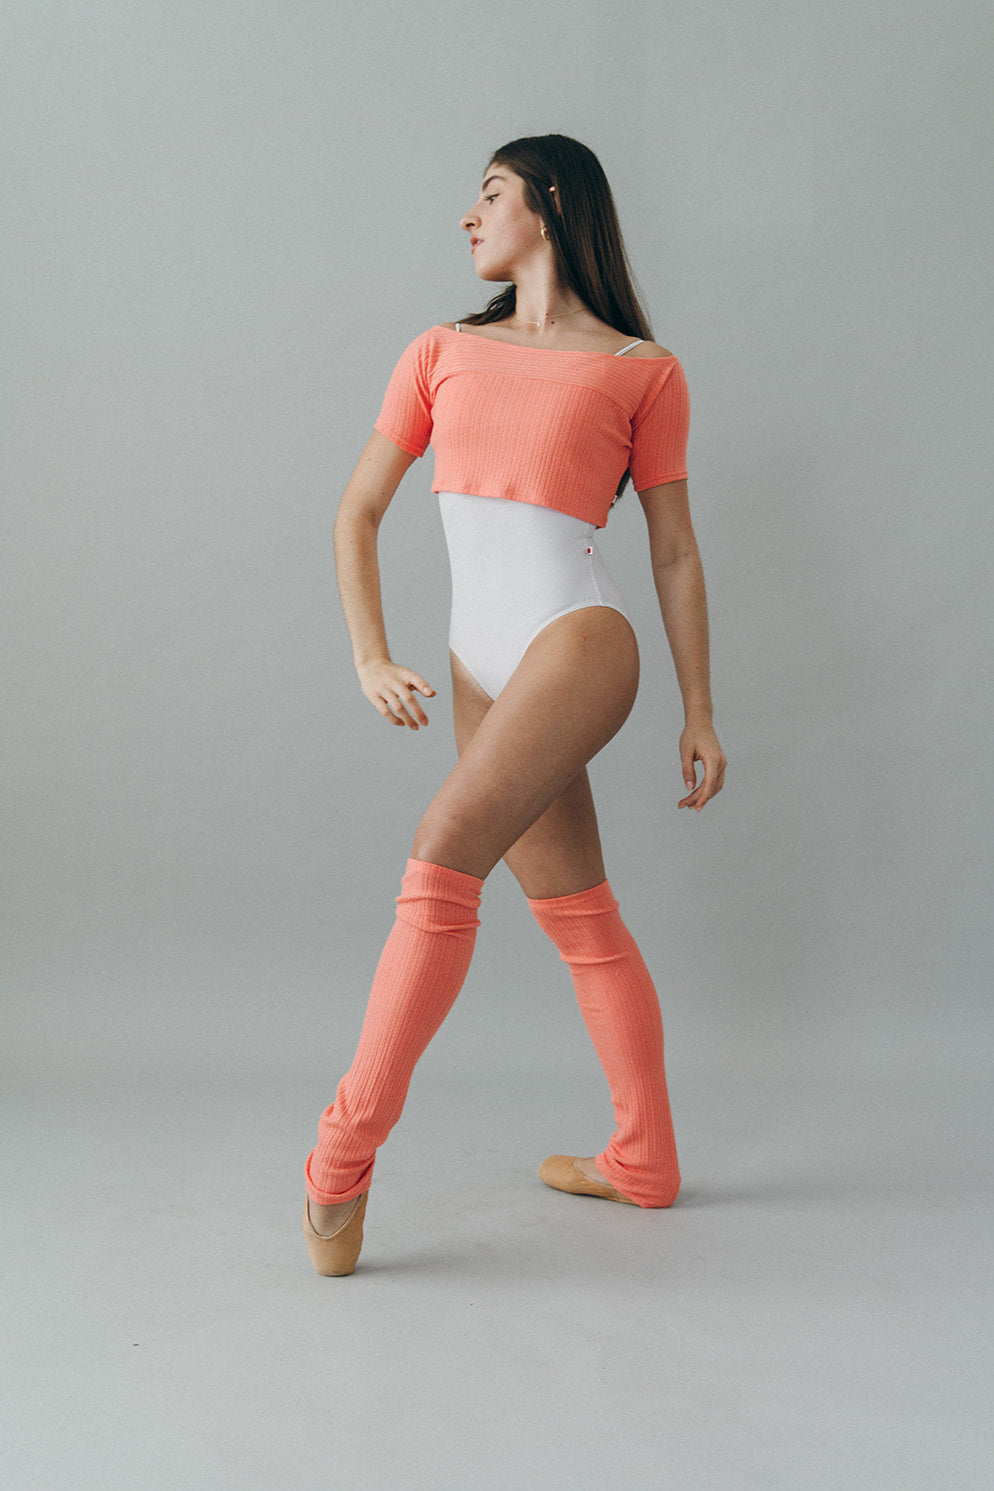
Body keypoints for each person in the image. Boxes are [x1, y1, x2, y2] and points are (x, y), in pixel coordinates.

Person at [302, 134, 726, 1275]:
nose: (467, 216)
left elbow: (674, 553)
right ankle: (643, 1158)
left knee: (442, 848)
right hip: (477, 664)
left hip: (576, 639)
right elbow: (356, 511)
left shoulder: (642, 368)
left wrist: (697, 709)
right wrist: (370, 654)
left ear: (549, 207)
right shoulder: (440, 350)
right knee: (577, 913)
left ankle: (341, 1154)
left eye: (488, 194)